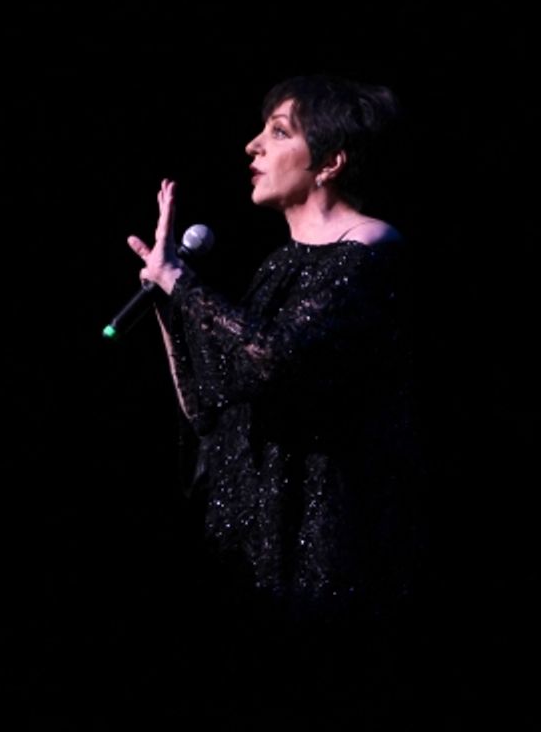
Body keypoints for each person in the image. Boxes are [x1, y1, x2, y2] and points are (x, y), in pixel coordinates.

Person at [126, 74, 427, 718]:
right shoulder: (278, 266)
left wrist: (185, 287)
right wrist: (165, 298)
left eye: (279, 131)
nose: (252, 146)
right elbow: (204, 405)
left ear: (330, 161)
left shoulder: (371, 249)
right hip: (250, 540)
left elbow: (275, 358)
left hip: (321, 541)